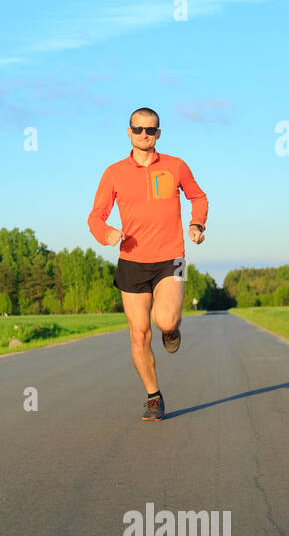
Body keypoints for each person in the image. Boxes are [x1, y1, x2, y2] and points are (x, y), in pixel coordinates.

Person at [87, 107, 208, 421]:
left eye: (150, 130)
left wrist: (197, 225)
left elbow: (198, 197)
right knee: (138, 334)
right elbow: (95, 216)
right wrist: (107, 233)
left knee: (166, 321)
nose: (144, 135)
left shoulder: (176, 165)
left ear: (159, 133)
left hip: (173, 258)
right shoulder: (113, 172)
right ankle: (154, 396)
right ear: (128, 131)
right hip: (132, 261)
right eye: (138, 129)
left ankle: (171, 330)